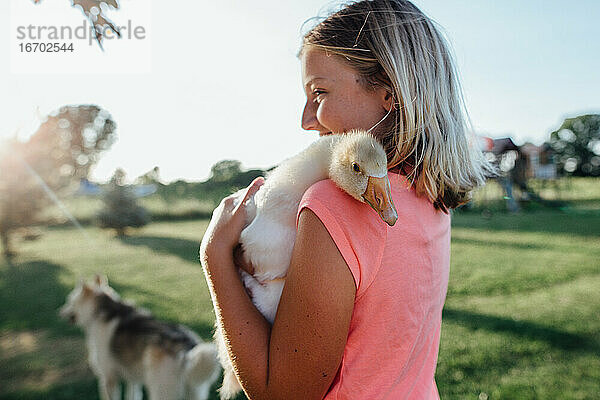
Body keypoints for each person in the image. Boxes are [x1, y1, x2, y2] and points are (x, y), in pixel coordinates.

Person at [199, 1, 492, 399]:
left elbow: (282, 393)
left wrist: (215, 255)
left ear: (389, 93)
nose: (306, 119)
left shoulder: (335, 204)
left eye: (319, 91)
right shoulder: (428, 197)